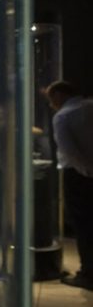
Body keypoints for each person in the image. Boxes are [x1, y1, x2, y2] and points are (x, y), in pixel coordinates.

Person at [44, 81, 93, 289]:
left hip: (78, 175)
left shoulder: (63, 117)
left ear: (59, 95)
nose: (51, 104)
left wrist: (87, 171)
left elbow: (69, 152)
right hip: (86, 172)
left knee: (83, 225)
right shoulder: (89, 106)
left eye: (51, 99)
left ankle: (88, 273)